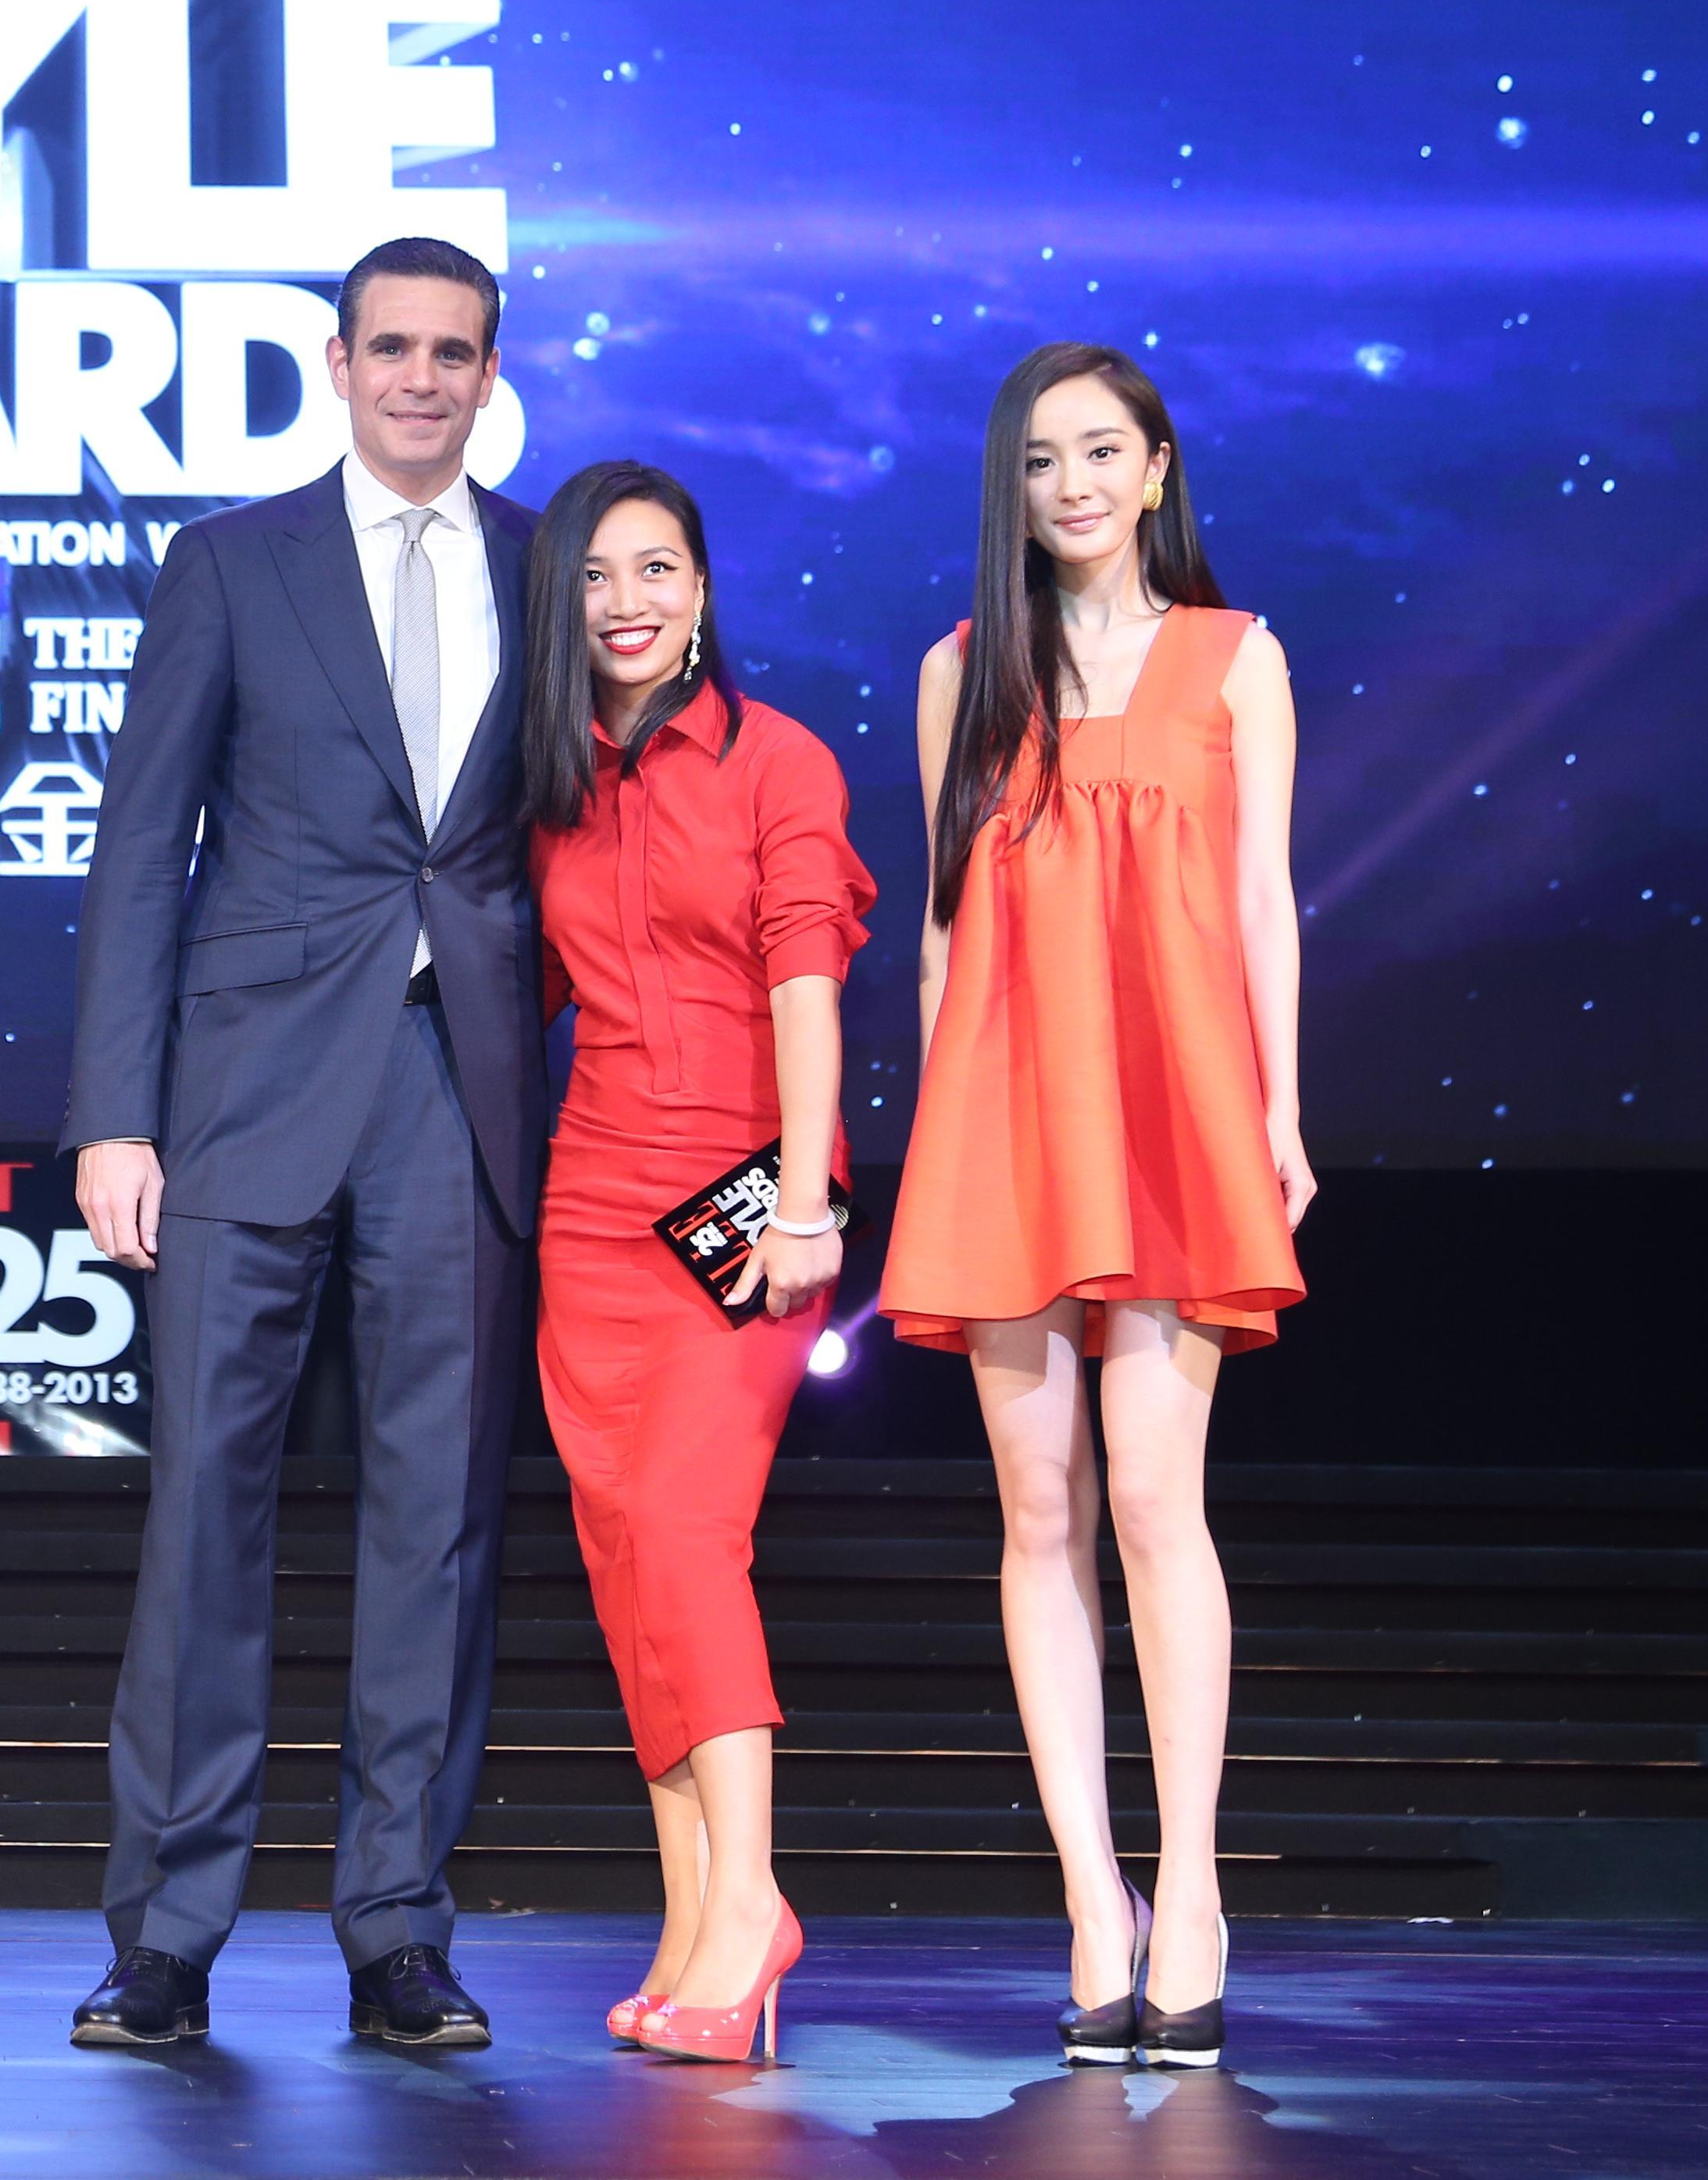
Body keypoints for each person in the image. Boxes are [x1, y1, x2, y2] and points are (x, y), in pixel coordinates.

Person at [60, 235, 549, 2054]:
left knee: (439, 1524)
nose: (422, 377)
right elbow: (140, 850)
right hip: (245, 1091)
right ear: (338, 366)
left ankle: (397, 1927)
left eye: (455, 351)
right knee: (206, 1511)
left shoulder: (548, 565)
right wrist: (117, 1112)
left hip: (458, 1089)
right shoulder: (231, 562)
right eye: (391, 347)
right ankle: (168, 1936)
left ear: (491, 372)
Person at [881, 343, 1313, 2075]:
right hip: (1003, 1114)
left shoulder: (1236, 658)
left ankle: (1191, 1891)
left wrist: (1279, 1112)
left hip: (1174, 1110)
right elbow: (939, 928)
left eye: (1100, 452)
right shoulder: (962, 673)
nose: (1071, 484)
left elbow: (1267, 902)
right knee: (1038, 1505)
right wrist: (934, 1132)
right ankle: (1089, 1900)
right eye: (1042, 458)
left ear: (1156, 469)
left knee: (1149, 1494)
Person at [522, 462, 872, 2068]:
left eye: (656, 568)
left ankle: (752, 1908)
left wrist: (804, 1200)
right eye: (598, 576)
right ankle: (689, 1925)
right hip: (591, 1205)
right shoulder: (548, 782)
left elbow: (809, 986)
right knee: (625, 1559)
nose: (629, 601)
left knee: (683, 1530)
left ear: (704, 590)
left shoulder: (777, 759)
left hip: (745, 1199)